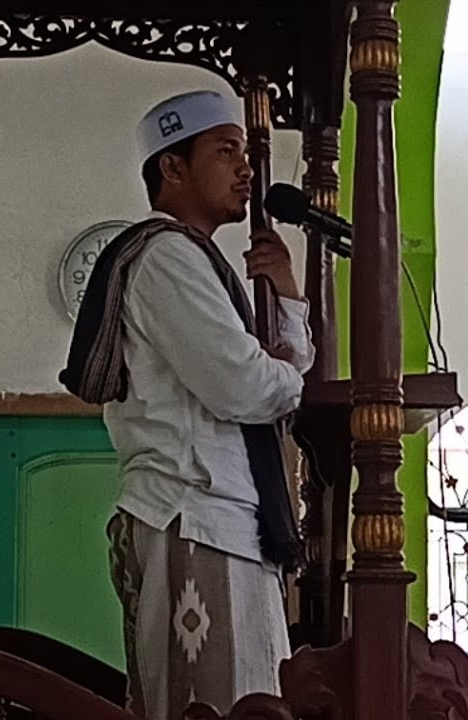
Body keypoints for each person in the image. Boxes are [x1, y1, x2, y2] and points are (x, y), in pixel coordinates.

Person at [59, 89, 313, 719]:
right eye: (226, 152)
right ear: (172, 168)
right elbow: (245, 387)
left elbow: (276, 373)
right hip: (191, 515)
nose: (247, 169)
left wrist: (285, 293)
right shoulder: (167, 256)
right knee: (221, 706)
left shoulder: (199, 261)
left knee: (250, 699)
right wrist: (283, 375)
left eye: (248, 153)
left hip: (219, 519)